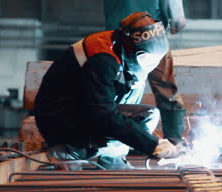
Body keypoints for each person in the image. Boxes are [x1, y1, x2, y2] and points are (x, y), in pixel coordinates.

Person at [34, 12, 181, 170]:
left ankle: (112, 158)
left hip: (81, 109)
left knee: (147, 115)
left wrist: (168, 141)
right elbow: (104, 113)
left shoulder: (124, 46)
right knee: (127, 113)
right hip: (59, 120)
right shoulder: (102, 57)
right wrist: (153, 145)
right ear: (130, 44)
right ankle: (70, 150)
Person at [103, 0, 186, 145]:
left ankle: (173, 142)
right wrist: (177, 14)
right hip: (144, 32)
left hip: (140, 32)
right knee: (157, 88)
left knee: (125, 88)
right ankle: (170, 142)